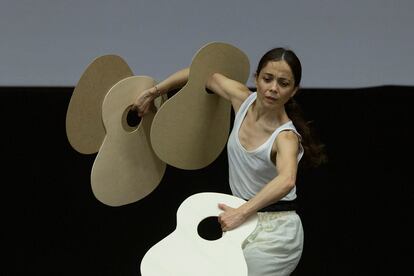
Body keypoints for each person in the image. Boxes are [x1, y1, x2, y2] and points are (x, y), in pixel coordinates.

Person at [133, 47, 326, 276]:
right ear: (257, 78)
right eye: (267, 79)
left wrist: (242, 212)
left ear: (294, 90)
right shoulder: (241, 99)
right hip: (243, 221)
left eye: (283, 83)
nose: (273, 88)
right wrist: (154, 92)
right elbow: (200, 74)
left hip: (276, 233)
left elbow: (287, 180)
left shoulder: (285, 138)